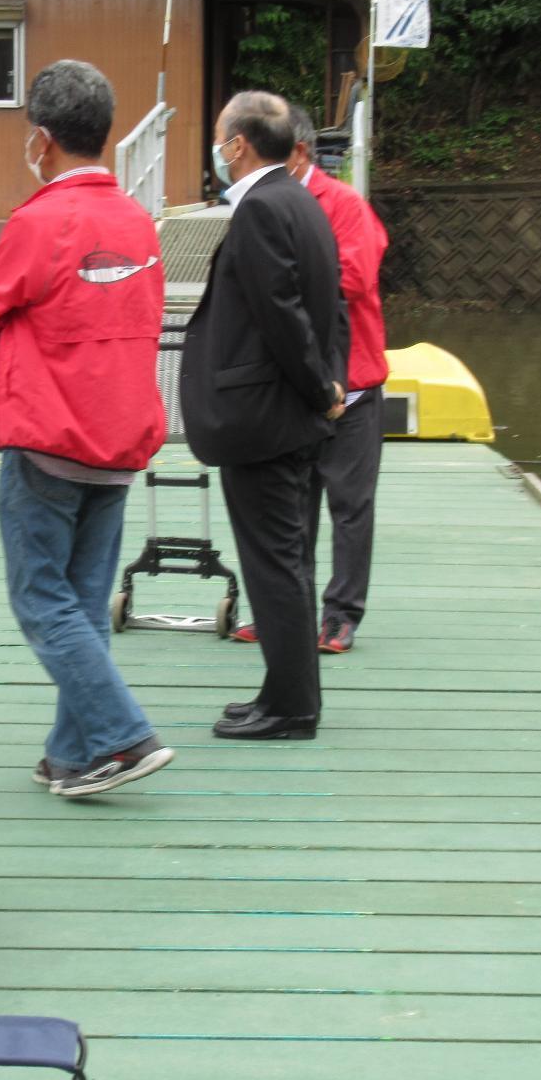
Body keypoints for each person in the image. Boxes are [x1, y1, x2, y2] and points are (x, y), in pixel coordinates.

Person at [0, 59, 172, 799]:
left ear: (41, 140)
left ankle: (122, 734)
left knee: (39, 599)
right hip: (119, 440)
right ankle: (72, 756)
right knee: (81, 602)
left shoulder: (39, 220)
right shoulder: (137, 220)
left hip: (50, 438)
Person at [180, 90, 348, 740]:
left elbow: (283, 316)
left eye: (221, 137)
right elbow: (330, 308)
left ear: (238, 145)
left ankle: (291, 707)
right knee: (286, 559)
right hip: (291, 414)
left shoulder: (259, 210)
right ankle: (281, 690)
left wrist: (317, 386)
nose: (217, 149)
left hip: (265, 417)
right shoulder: (303, 201)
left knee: (273, 562)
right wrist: (329, 382)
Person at [231, 106, 389, 654]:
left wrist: (282, 284)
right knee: (290, 508)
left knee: (348, 505)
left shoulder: (344, 204)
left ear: (297, 151)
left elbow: (354, 276)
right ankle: (284, 612)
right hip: (296, 387)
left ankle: (342, 614)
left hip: (354, 381)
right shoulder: (263, 204)